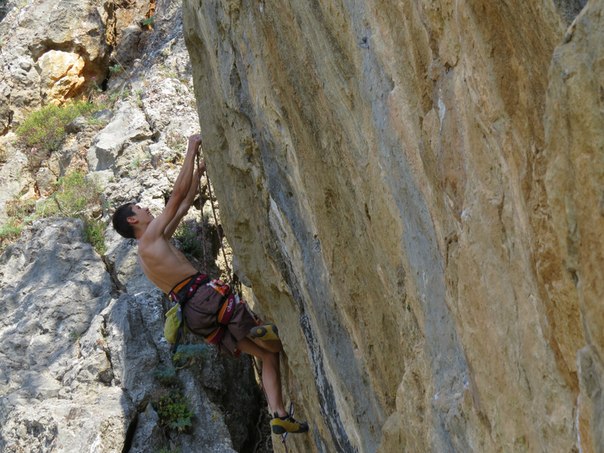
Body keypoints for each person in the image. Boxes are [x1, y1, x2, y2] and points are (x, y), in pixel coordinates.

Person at [111, 134, 308, 435]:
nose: (147, 209)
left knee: (268, 355)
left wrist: (198, 172)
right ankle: (259, 327)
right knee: (260, 332)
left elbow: (185, 201)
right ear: (133, 222)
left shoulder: (150, 250)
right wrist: (191, 148)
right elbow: (175, 196)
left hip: (196, 317)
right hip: (205, 298)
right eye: (140, 209)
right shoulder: (149, 238)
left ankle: (278, 414)